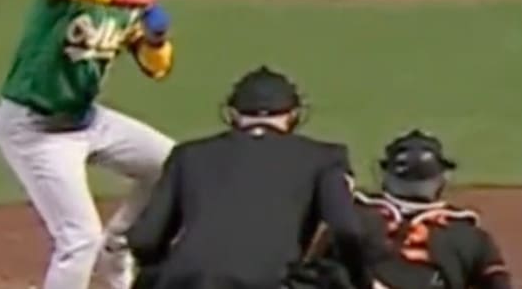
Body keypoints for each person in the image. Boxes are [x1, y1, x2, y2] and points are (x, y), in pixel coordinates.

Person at [0, 0, 177, 289]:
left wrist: (156, 39)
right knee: (78, 239)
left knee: (175, 166)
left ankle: (118, 244)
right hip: (35, 130)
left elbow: (157, 68)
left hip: (87, 120)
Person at [126, 66, 374, 289]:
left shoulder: (188, 155)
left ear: (233, 114)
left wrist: (162, 273)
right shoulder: (324, 157)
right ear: (293, 115)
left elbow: (145, 239)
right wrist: (360, 281)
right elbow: (347, 230)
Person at [339, 130, 514, 289]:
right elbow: (499, 284)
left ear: (386, 174)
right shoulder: (469, 235)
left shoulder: (350, 217)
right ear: (441, 179)